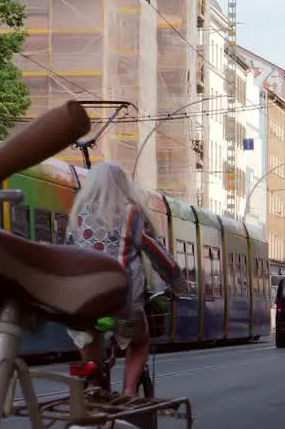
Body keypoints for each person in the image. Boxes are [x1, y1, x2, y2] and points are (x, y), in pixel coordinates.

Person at [64, 162, 183, 398]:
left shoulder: (77, 214)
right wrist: (177, 282)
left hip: (83, 303)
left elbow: (67, 251)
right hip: (122, 305)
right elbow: (155, 252)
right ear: (123, 185)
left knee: (87, 340)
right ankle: (129, 394)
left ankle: (92, 383)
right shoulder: (131, 213)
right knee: (138, 343)